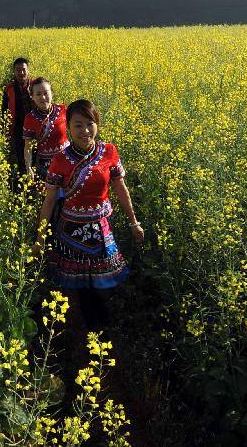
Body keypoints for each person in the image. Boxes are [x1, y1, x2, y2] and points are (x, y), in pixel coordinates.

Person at [37, 99, 144, 331]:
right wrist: (40, 235)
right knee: (83, 285)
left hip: (101, 228)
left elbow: (121, 190)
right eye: (78, 125)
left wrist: (134, 222)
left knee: (102, 283)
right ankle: (94, 328)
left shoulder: (109, 152)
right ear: (68, 128)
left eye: (90, 123)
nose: (85, 131)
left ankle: (102, 324)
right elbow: (50, 200)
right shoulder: (60, 160)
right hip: (72, 231)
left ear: (97, 123)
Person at [22, 77, 69, 184]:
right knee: (49, 198)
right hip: (45, 166)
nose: (43, 97)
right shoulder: (30, 118)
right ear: (32, 97)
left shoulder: (63, 110)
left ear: (51, 93)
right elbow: (28, 146)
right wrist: (28, 167)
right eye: (38, 94)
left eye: (46, 93)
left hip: (67, 161)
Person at [1, 57, 31, 190]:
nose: (21, 73)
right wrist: (5, 130)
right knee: (20, 156)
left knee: (35, 156)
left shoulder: (36, 85)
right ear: (14, 72)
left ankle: (34, 183)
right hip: (18, 128)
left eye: (23, 70)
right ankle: (22, 185)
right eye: (18, 70)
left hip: (36, 128)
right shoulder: (9, 89)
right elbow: (4, 110)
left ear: (28, 71)